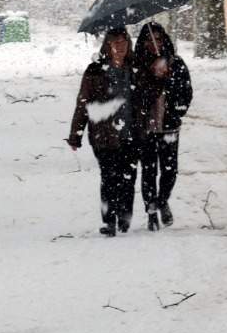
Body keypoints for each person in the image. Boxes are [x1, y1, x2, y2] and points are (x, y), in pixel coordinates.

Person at [67, 26, 138, 236]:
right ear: (107, 45)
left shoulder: (135, 68)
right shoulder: (95, 71)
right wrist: (75, 134)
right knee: (109, 177)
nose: (120, 47)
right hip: (104, 134)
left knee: (128, 177)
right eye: (115, 43)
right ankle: (109, 221)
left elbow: (147, 95)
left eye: (124, 42)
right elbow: (83, 103)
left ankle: (124, 216)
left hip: (131, 132)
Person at [132, 22, 193, 231]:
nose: (154, 43)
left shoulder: (176, 64)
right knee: (149, 171)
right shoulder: (137, 65)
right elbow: (134, 95)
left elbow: (186, 92)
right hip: (145, 128)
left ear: (164, 40)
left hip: (169, 127)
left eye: (158, 39)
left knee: (170, 170)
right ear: (143, 42)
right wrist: (151, 79)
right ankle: (151, 211)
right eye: (149, 40)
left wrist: (170, 82)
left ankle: (162, 200)